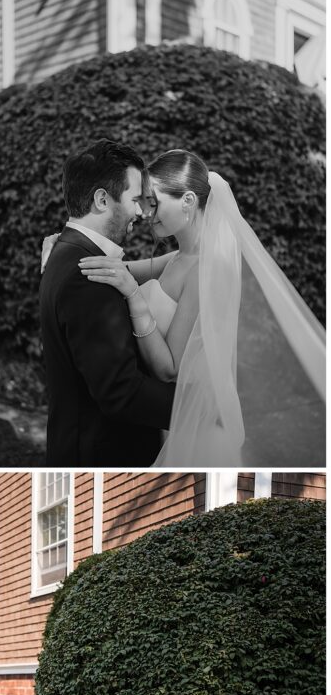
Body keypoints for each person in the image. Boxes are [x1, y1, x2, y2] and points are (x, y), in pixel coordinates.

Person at [78, 149, 325, 466]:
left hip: (196, 429)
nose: (145, 211)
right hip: (171, 417)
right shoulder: (179, 258)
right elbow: (118, 268)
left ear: (188, 201)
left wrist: (133, 295)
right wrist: (72, 244)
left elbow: (170, 368)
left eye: (153, 200)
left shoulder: (208, 268)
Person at [38, 138, 176, 467]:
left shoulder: (67, 253)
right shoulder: (88, 274)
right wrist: (200, 405)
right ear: (102, 199)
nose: (142, 213)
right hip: (101, 453)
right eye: (134, 199)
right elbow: (121, 392)